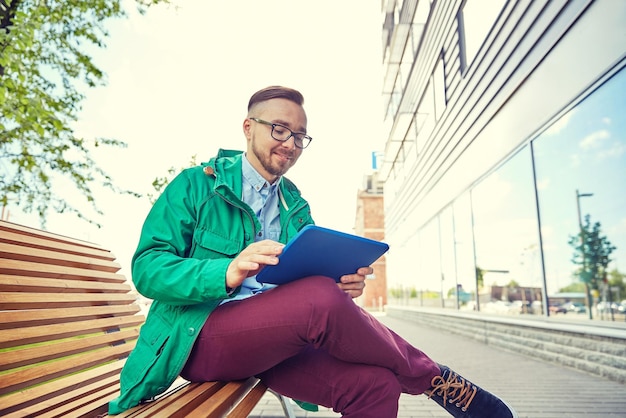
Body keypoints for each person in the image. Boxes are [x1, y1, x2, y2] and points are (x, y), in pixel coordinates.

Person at [108, 86, 518, 418]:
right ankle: (435, 380)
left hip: (277, 341)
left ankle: (422, 378)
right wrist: (226, 271)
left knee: (376, 387)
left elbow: (308, 287)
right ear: (248, 127)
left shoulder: (294, 203)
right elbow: (147, 269)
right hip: (199, 339)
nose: (291, 143)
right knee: (319, 297)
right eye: (280, 129)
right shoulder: (197, 184)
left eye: (300, 136)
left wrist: (344, 283)